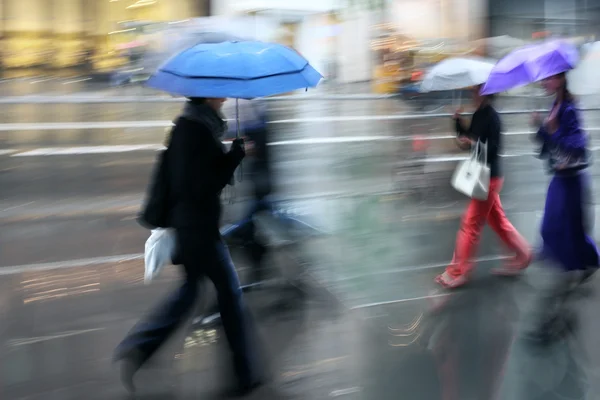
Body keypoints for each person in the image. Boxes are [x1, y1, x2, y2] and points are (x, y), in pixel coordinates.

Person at [114, 97, 261, 396]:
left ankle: (139, 347)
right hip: (197, 230)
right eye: (219, 92)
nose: (224, 97)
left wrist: (229, 153)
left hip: (193, 227)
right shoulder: (193, 130)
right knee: (230, 295)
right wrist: (234, 156)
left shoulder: (194, 126)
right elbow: (199, 185)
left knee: (190, 292)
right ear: (207, 96)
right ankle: (244, 374)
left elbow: (199, 176)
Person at [436, 86, 532, 288]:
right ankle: (524, 254)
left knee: (470, 223)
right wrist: (457, 121)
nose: (472, 94)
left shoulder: (492, 117)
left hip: (489, 177)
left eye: (476, 91)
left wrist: (474, 142)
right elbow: (469, 138)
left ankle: (461, 271)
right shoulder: (479, 114)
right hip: (483, 176)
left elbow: (493, 150)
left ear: (486, 93)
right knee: (498, 221)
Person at [532, 72, 599, 280]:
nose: (544, 82)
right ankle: (574, 260)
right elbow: (551, 141)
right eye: (544, 79)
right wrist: (539, 127)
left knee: (573, 229)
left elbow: (578, 145)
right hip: (560, 177)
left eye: (548, 78)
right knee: (552, 225)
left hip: (572, 179)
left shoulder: (569, 109)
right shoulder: (556, 105)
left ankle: (589, 260)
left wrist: (553, 131)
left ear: (560, 80)